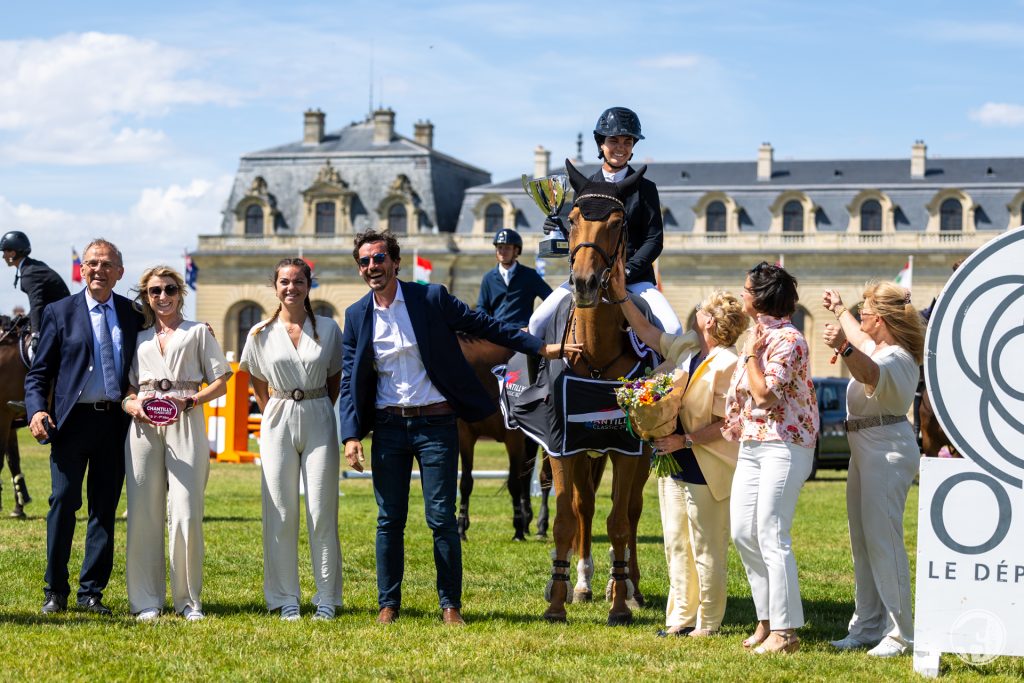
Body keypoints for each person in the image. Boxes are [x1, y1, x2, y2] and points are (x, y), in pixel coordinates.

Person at [339, 229, 576, 626]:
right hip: (388, 426)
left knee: (441, 517)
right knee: (389, 519)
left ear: (394, 262)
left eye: (378, 259)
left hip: (435, 423)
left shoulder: (430, 299)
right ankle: (388, 605)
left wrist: (538, 347)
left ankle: (450, 605)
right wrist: (350, 435)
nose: (371, 267)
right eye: (364, 261)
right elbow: (350, 378)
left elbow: (484, 323)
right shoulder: (355, 315)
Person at [613, 269, 746, 638]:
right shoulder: (687, 347)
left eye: (703, 308)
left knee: (707, 547)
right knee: (675, 542)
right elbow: (649, 333)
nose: (697, 311)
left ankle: (709, 622)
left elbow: (728, 422)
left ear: (712, 320)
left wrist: (684, 441)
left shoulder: (729, 363)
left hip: (706, 461)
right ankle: (680, 618)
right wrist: (622, 296)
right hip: (671, 460)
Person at [25, 238, 142, 615]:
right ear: (82, 269)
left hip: (115, 424)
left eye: (107, 264)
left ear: (119, 272)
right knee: (62, 502)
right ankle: (55, 590)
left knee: (104, 509)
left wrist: (195, 329)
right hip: (70, 425)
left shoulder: (132, 313)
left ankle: (91, 593)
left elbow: (165, 331)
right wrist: (35, 411)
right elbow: (38, 374)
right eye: (92, 263)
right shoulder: (60, 312)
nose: (98, 270)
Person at [121, 266, 232, 622]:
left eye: (169, 289)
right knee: (143, 514)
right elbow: (128, 387)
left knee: (185, 513)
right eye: (155, 291)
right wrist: (131, 403)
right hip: (143, 426)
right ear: (147, 297)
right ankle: (145, 600)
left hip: (185, 418)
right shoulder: (138, 338)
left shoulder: (198, 332)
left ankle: (188, 601)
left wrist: (190, 402)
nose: (163, 297)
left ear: (180, 292)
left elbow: (221, 382)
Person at [822, 282, 924, 657]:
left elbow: (868, 372)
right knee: (862, 543)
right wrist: (838, 311)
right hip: (865, 449)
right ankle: (867, 625)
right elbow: (857, 340)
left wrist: (843, 347)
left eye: (863, 309)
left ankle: (902, 634)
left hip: (886, 451)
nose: (858, 314)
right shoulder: (880, 346)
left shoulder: (896, 357)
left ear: (878, 319)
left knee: (884, 543)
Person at [239, 257, 345, 621]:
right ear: (275, 286)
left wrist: (315, 407)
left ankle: (327, 598)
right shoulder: (259, 333)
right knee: (280, 511)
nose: (291, 288)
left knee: (321, 510)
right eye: (284, 282)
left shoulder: (329, 329)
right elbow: (254, 378)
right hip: (278, 418)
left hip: (318, 415)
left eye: (298, 281)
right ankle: (284, 597)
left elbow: (334, 379)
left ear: (308, 285)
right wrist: (275, 410)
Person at [723, 261, 818, 654]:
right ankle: (766, 620)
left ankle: (787, 631)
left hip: (786, 444)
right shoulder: (759, 336)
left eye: (746, 289)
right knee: (743, 533)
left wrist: (749, 358)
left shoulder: (789, 340)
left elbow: (765, 395)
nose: (742, 293)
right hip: (753, 442)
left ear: (760, 297)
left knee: (771, 533)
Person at [528, 106, 682, 337]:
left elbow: (654, 239)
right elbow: (579, 232)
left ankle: (668, 374)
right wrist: (558, 230)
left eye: (627, 142)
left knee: (673, 329)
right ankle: (540, 373)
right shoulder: (586, 187)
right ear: (601, 143)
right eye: (614, 141)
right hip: (589, 275)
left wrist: (627, 271)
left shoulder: (646, 189)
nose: (620, 148)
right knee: (537, 322)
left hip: (634, 280)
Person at [2, 230, 71, 344]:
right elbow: (43, 302)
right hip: (57, 315)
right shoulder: (32, 266)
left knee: (32, 353)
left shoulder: (30, 273)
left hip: (62, 319)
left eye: (4, 252)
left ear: (13, 254)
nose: (3, 256)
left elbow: (36, 304)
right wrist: (25, 319)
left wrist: (35, 334)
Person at [477, 228, 552, 328]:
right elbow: (482, 308)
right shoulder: (488, 278)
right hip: (496, 332)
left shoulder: (530, 275)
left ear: (516, 251)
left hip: (522, 332)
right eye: (500, 247)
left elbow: (550, 299)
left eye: (507, 248)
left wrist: (538, 323)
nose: (503, 252)